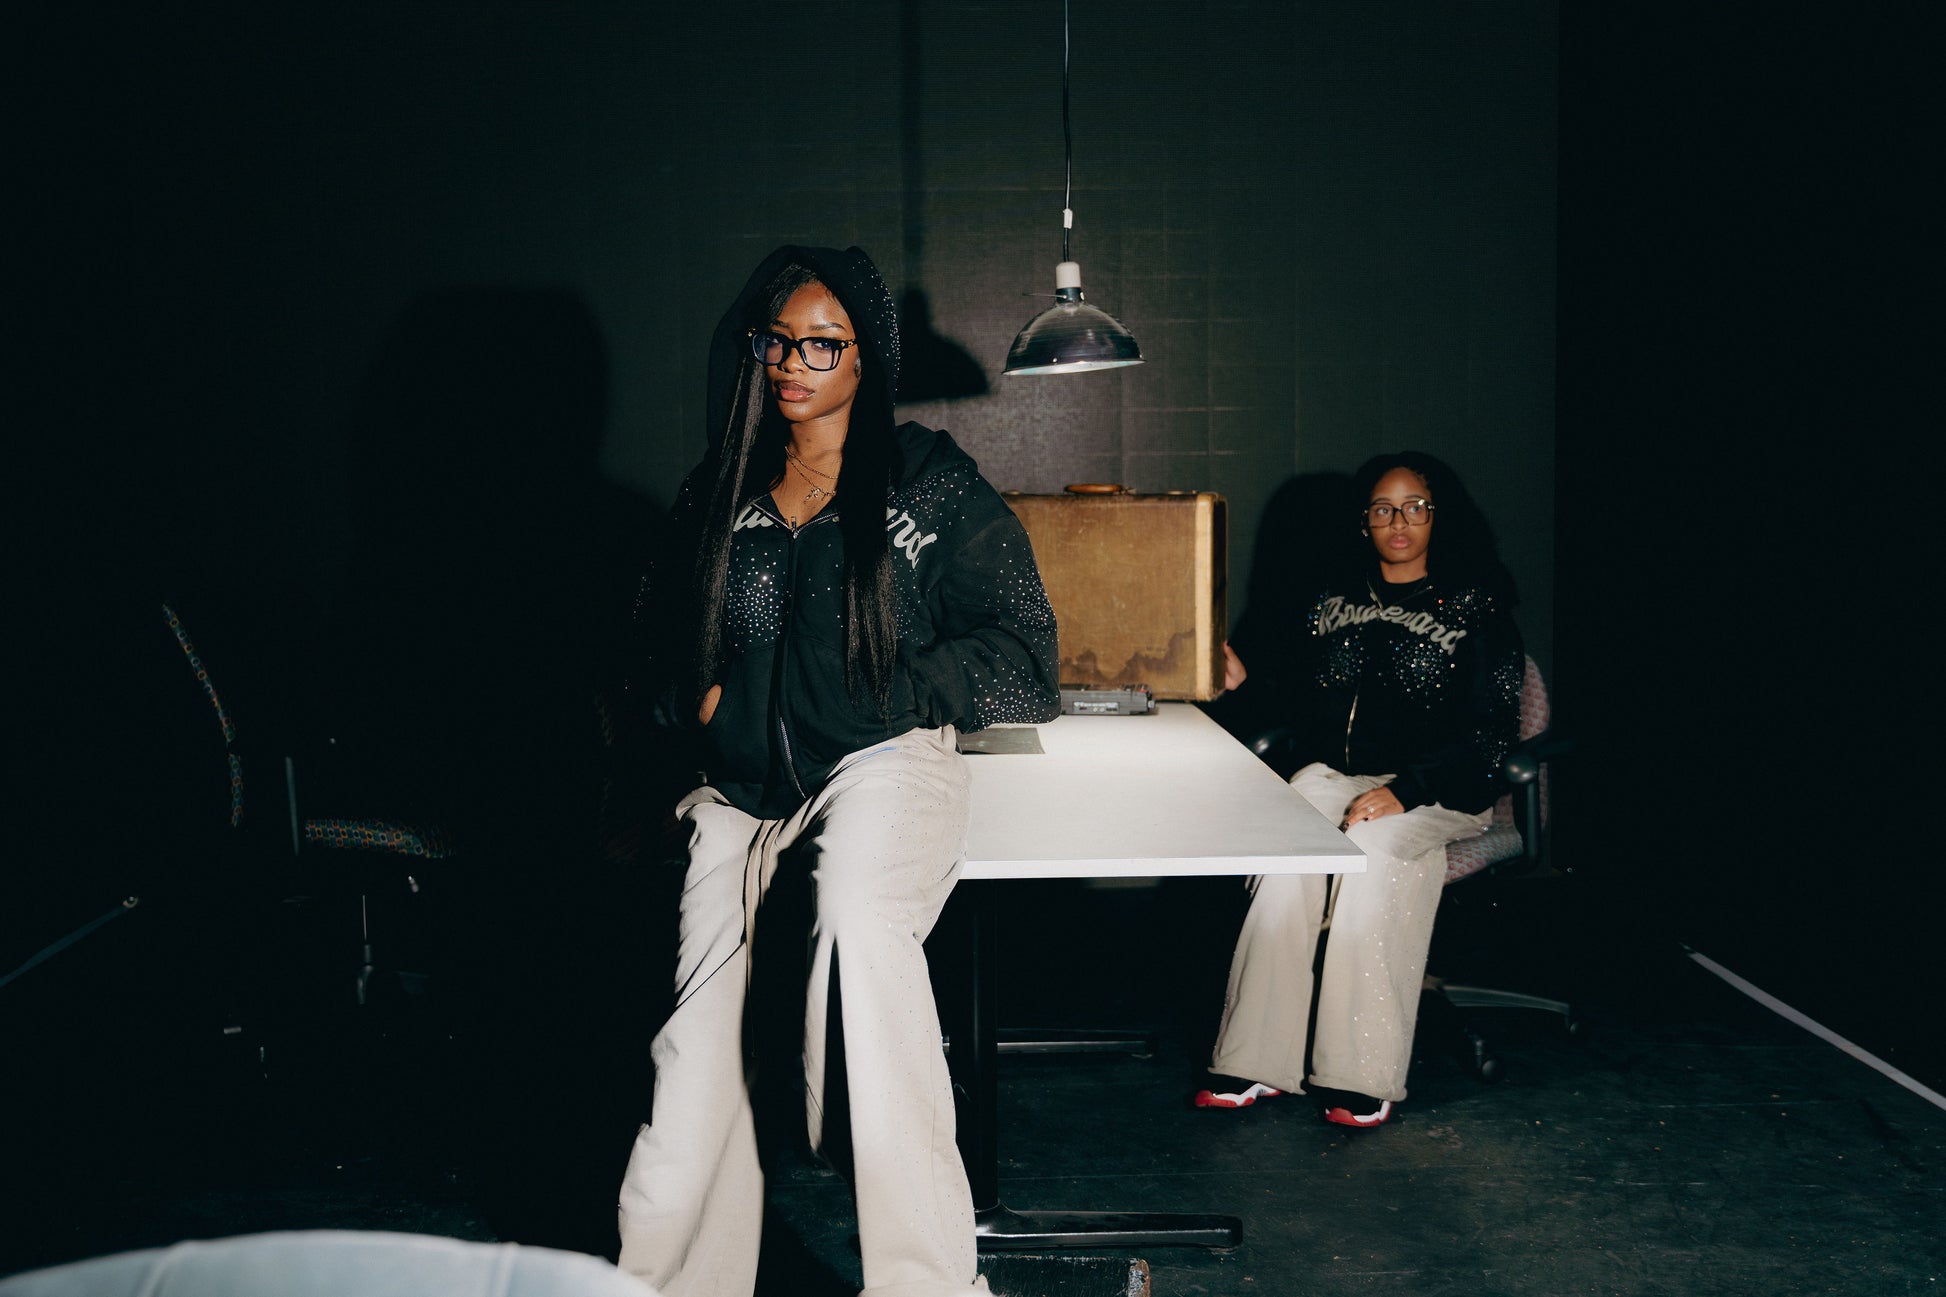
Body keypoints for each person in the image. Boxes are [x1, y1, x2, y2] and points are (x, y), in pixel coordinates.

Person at [615, 245, 1060, 1297]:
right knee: (692, 1071)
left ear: (868, 358)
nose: (793, 363)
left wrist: (885, 694)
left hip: (883, 765)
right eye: (778, 341)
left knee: (857, 921)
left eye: (824, 343)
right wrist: (696, 699)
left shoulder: (928, 483)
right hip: (738, 801)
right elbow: (644, 655)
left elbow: (1026, 658)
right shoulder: (718, 490)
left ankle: (928, 1286)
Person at [1194, 451, 1523, 1128]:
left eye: (1415, 507)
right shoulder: (1329, 599)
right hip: (1337, 776)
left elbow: (1493, 732)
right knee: (1286, 859)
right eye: (1382, 508)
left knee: (1374, 851)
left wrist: (1410, 788)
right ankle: (1255, 1059)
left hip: (1440, 790)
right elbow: (1292, 706)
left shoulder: (1479, 604)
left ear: (1439, 515)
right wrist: (1243, 685)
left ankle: (1360, 1074)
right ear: (1364, 520)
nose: (1398, 522)